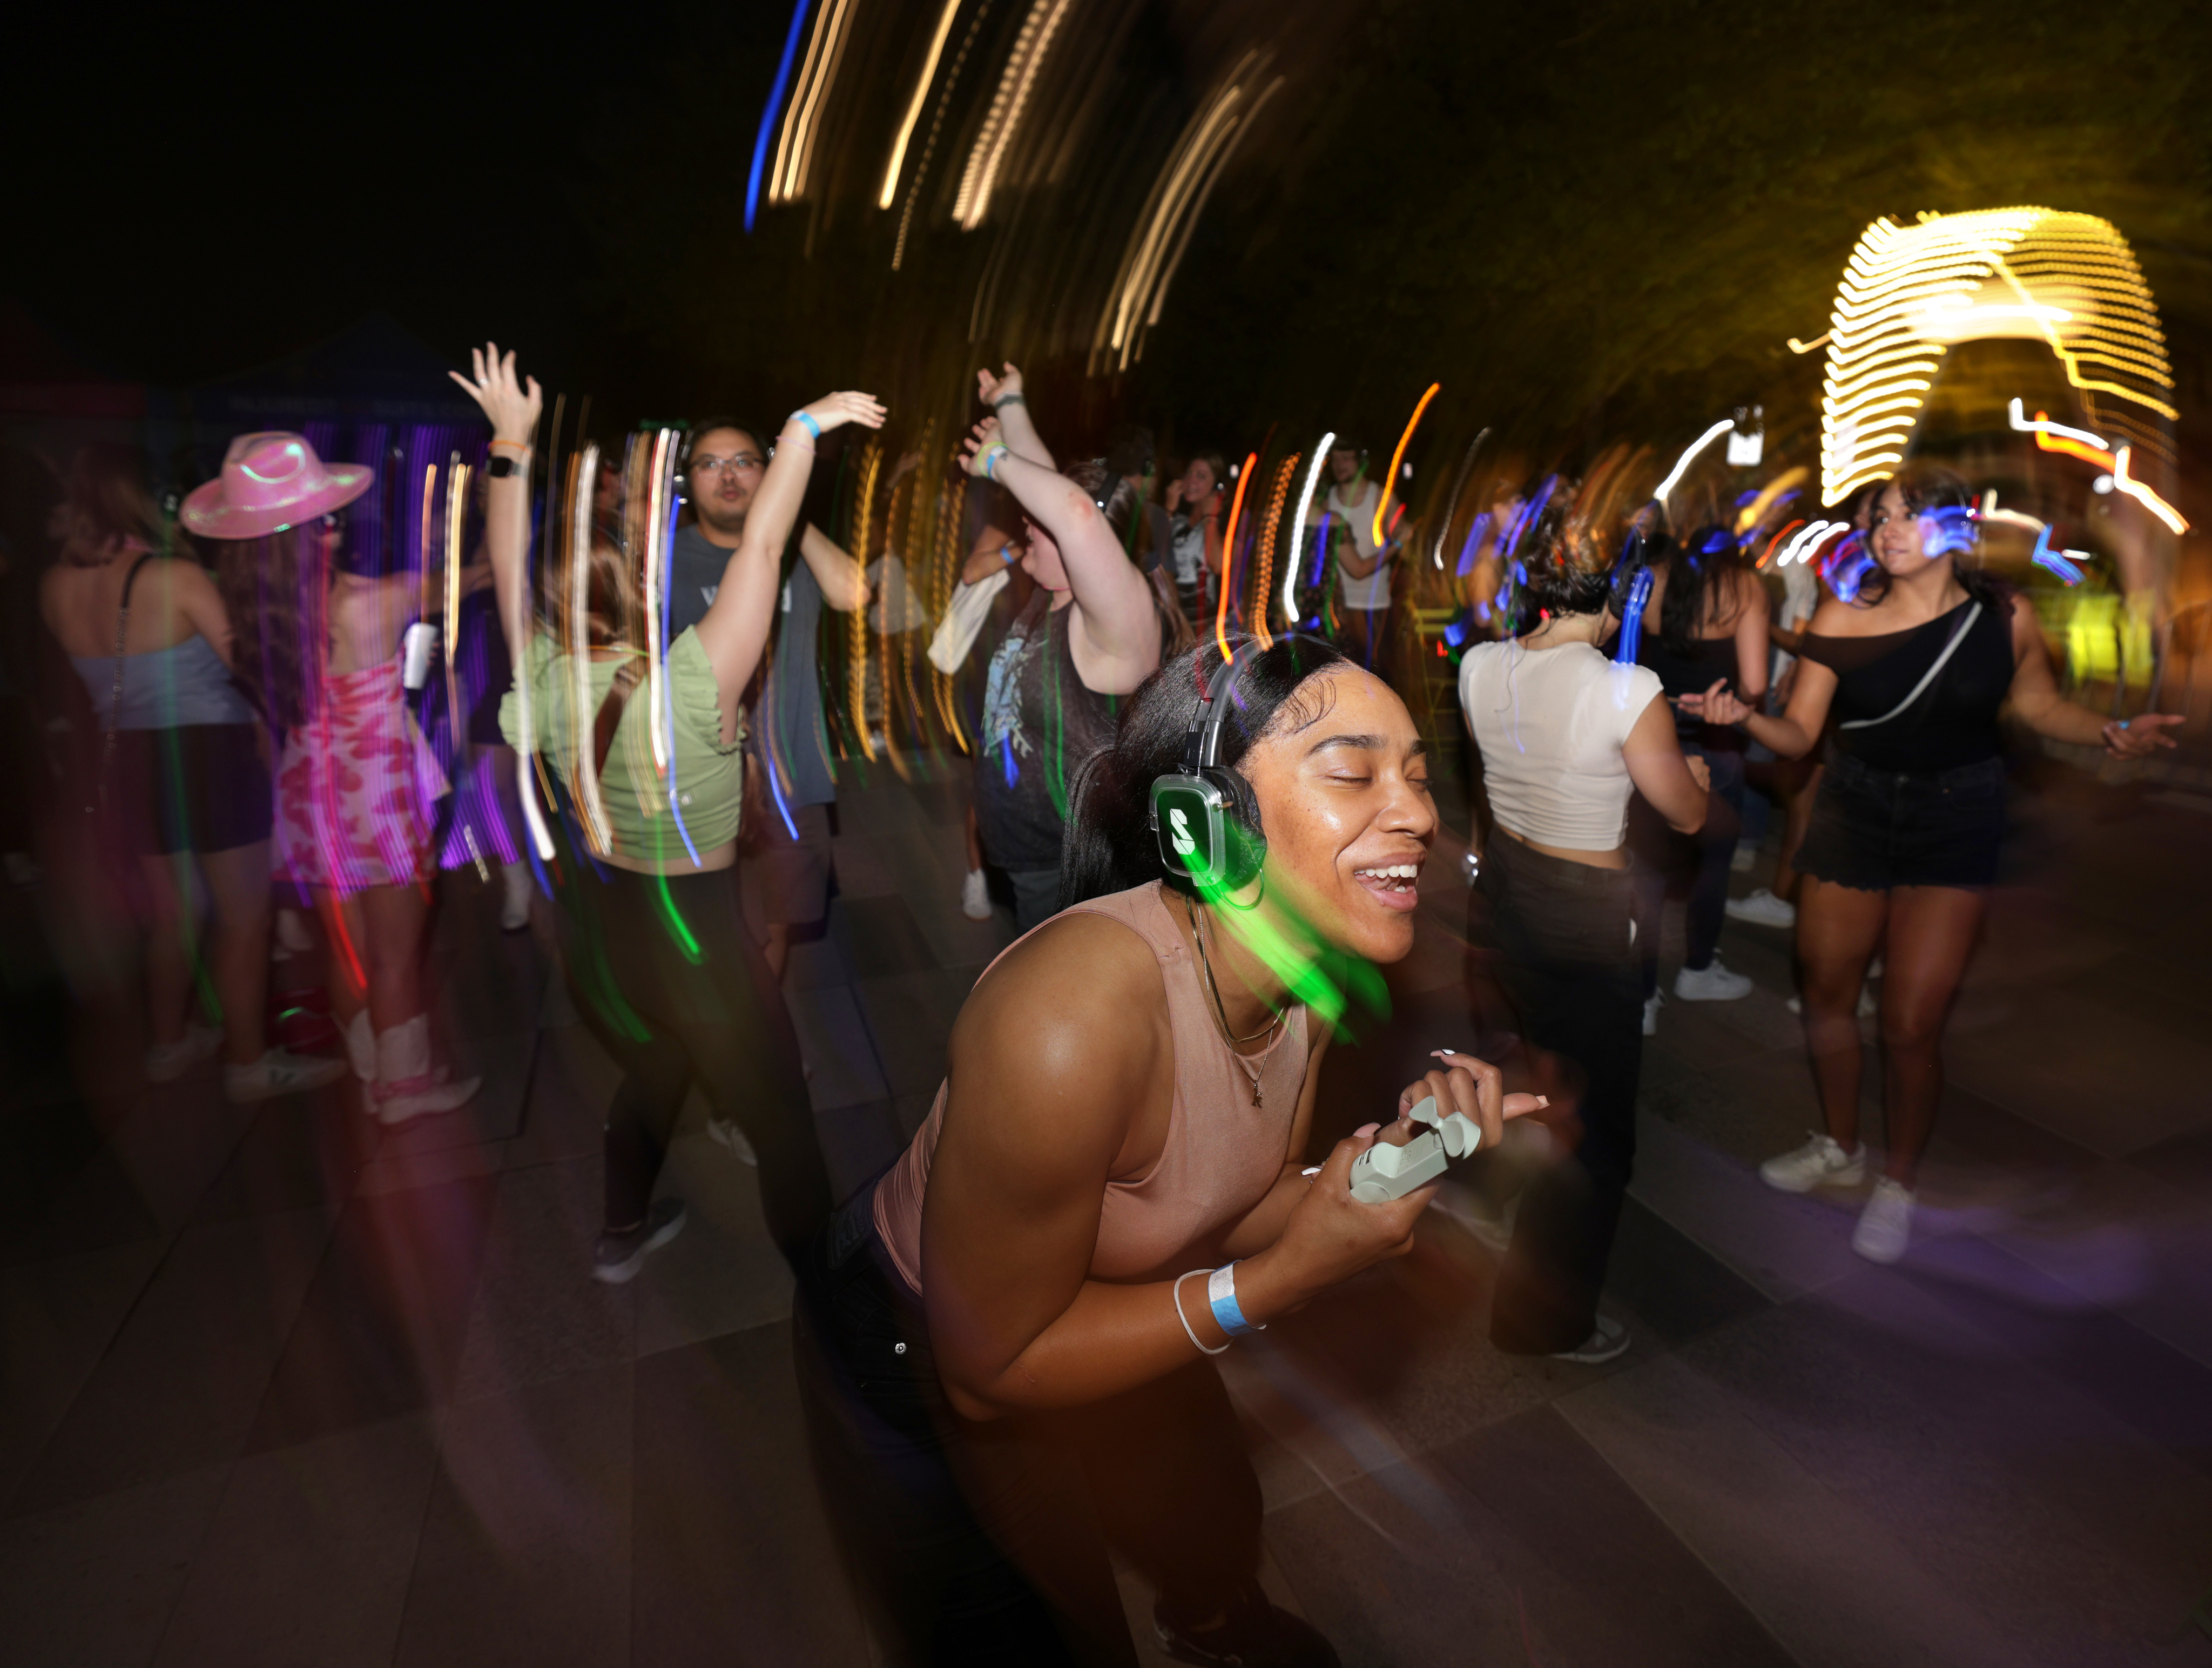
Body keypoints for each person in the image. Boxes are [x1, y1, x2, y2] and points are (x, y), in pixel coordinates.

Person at [798, 633, 1547, 1665]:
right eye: (1353, 770)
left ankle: (1207, 1620)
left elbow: (1243, 1191)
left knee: (1209, 1516)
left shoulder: (1311, 970)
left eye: (1418, 773)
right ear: (1207, 821)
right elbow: (991, 1368)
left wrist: (1402, 1153)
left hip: (1116, 1283)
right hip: (921, 1345)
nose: (1418, 810)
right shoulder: (1065, 1021)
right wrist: (1274, 1282)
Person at [454, 343, 879, 1281]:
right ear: (637, 597)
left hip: (601, 936)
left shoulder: (549, 670)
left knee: (651, 1076)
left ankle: (619, 1231)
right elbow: (763, 548)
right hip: (699, 941)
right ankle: (834, 1297)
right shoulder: (695, 682)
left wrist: (511, 446)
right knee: (782, 1125)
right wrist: (802, 433)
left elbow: (505, 560)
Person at [1685, 464, 2181, 1262]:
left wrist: (2112, 731)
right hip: (1853, 812)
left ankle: (1901, 1183)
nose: (1887, 531)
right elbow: (1801, 737)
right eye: (1877, 518)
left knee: (1913, 1024)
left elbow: (2038, 704)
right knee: (1828, 997)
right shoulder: (1844, 617)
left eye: (1907, 515)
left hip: (1956, 819)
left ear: (1955, 527)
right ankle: (1837, 1144)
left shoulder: (2006, 617)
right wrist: (1742, 718)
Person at [1457, 487, 1710, 1361]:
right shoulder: (1628, 688)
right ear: (1614, 598)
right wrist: (1703, 783)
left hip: (1511, 902)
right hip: (1586, 922)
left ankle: (1500, 1207)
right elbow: (1681, 815)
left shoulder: (1478, 665)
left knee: (1540, 1076)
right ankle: (1542, 1321)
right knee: (1597, 1136)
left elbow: (1497, 790)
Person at [41, 445, 346, 1101]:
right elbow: (252, 662)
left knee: (172, 917)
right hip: (210, 754)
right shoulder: (175, 577)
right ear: (146, 501)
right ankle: (247, 1063)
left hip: (133, 760)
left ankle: (168, 1044)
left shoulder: (54, 585)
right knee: (243, 920)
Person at [186, 432, 469, 1121]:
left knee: (348, 950)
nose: (338, 531)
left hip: (309, 792)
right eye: (328, 520)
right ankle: (405, 1089)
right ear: (312, 530)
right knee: (398, 955)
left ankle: (374, 1068)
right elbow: (477, 579)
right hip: (379, 790)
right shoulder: (373, 602)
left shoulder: (246, 616)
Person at [668, 417, 868, 982]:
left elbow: (854, 593)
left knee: (774, 927)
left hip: (791, 780)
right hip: (699, 784)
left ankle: (765, 1049)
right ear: (689, 480)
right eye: (710, 463)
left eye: (745, 462)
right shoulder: (665, 562)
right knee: (706, 932)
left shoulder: (795, 551)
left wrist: (789, 513)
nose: (728, 475)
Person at [961, 388, 1162, 933]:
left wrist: (996, 462)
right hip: (1031, 863)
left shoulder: (1115, 626)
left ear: (1088, 547)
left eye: (1039, 521)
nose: (1027, 521)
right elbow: (1053, 490)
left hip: (1074, 875)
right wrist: (1010, 402)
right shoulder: (1053, 591)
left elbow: (1071, 512)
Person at [1629, 521, 1771, 1031]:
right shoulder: (1743, 586)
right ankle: (1698, 969)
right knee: (1714, 860)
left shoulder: (1656, 580)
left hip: (1651, 738)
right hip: (1716, 742)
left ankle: (1643, 996)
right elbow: (1754, 683)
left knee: (1644, 868)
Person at [1321, 442, 1392, 672]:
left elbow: (1405, 534)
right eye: (1335, 459)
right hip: (1338, 605)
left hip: (1374, 601)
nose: (1339, 465)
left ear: (1361, 462)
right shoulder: (1327, 500)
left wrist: (1399, 544)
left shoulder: (1380, 496)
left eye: (1346, 458)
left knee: (1378, 672)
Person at [1163, 451, 1225, 634]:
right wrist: (1168, 510)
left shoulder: (1221, 523)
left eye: (1201, 476)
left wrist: (1210, 517)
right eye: (1189, 473)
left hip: (1204, 629)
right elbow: (1153, 557)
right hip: (1171, 622)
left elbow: (1218, 565)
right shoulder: (1178, 521)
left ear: (1217, 486)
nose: (1191, 480)